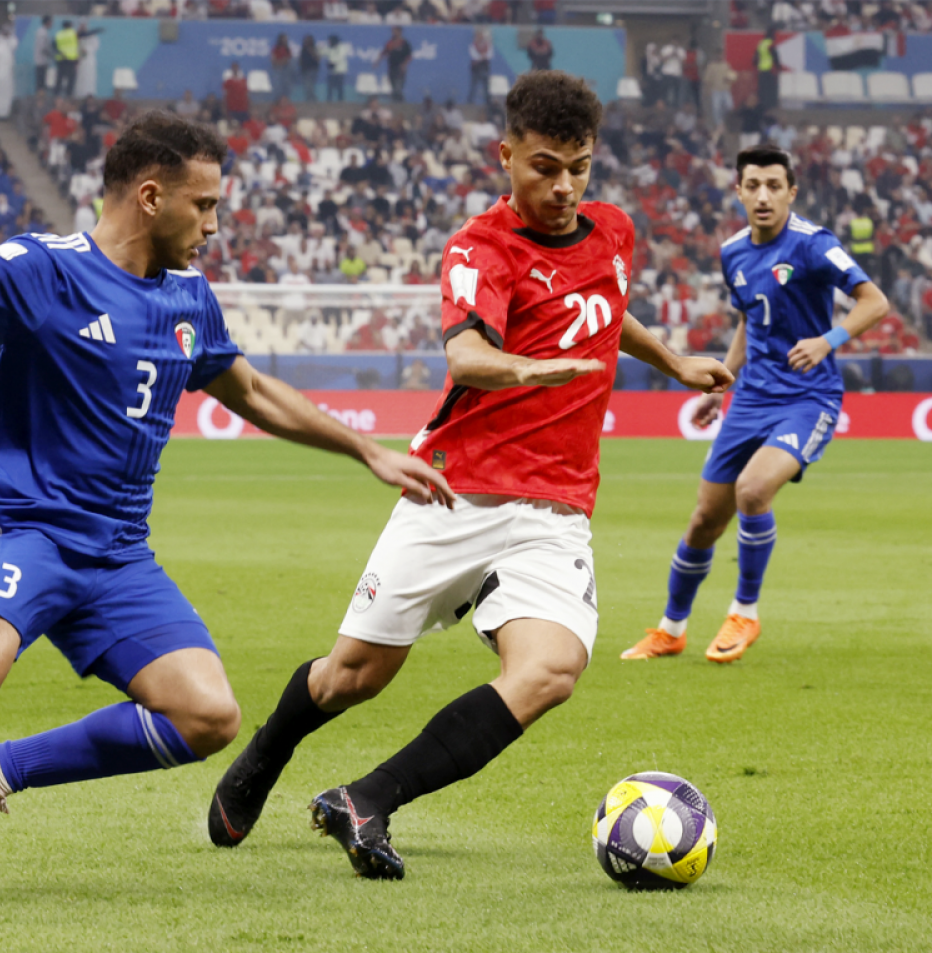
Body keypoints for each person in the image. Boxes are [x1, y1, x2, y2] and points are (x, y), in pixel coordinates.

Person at [0, 112, 452, 924]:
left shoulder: (188, 296)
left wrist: (366, 451)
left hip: (117, 555)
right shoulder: (50, 269)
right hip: (23, 530)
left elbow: (250, 390)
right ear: (150, 197)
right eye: (204, 205)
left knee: (208, 714)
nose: (214, 226)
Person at [206, 71, 733, 879]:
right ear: (506, 155)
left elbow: (605, 304)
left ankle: (368, 798)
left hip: (555, 507)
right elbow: (466, 354)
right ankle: (269, 749)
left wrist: (674, 361)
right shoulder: (479, 247)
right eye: (545, 167)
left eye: (579, 168)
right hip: (455, 490)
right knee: (355, 676)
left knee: (549, 671)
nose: (563, 187)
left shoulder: (614, 231)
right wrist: (531, 369)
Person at [621, 145, 889, 665]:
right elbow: (750, 319)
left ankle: (744, 611)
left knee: (753, 489)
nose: (763, 196)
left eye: (773, 186)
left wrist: (828, 340)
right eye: (753, 186)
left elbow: (874, 301)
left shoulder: (814, 244)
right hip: (750, 399)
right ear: (739, 192)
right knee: (704, 519)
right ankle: (671, 629)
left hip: (808, 398)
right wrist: (722, 381)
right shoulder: (733, 252)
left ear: (791, 192)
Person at [382, 26, 412, 103]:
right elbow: (385, 52)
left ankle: (400, 102)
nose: (393, 33)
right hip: (391, 68)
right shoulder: (390, 43)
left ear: (400, 32)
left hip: (400, 68)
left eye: (395, 31)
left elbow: (409, 56)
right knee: (393, 86)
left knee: (398, 87)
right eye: (393, 31)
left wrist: (404, 65)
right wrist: (377, 62)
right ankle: (395, 102)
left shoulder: (404, 43)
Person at [754, 27, 779, 113]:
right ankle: (770, 107)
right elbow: (775, 56)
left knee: (762, 90)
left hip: (761, 70)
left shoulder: (761, 44)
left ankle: (762, 106)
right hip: (769, 70)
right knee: (770, 90)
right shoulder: (770, 44)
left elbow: (755, 58)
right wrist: (778, 66)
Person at [54, 19, 80, 98]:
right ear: (70, 26)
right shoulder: (73, 33)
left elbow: (54, 45)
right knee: (71, 78)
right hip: (71, 59)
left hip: (61, 59)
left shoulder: (58, 34)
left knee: (60, 77)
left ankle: (56, 93)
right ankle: (69, 94)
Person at [467, 28, 492, 104]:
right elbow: (474, 56)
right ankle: (470, 101)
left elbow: (490, 55)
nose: (480, 38)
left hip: (485, 67)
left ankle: (487, 101)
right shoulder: (473, 46)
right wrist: (482, 57)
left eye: (481, 36)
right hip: (476, 68)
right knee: (474, 85)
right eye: (478, 36)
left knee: (486, 85)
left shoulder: (487, 45)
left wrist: (482, 57)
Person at [33, 16, 55, 93]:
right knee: (41, 81)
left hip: (42, 60)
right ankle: (40, 97)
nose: (52, 24)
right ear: (48, 22)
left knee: (42, 81)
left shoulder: (43, 32)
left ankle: (41, 95)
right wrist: (51, 55)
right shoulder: (42, 33)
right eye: (51, 22)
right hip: (41, 61)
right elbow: (43, 48)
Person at [325, 34, 349, 102]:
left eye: (330, 41)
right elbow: (326, 54)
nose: (329, 43)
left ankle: (340, 100)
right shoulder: (330, 48)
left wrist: (332, 62)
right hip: (332, 72)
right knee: (330, 87)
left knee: (339, 87)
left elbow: (340, 57)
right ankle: (329, 100)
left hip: (340, 71)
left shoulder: (342, 47)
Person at [299, 35, 322, 102]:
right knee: (307, 86)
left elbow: (318, 58)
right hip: (305, 70)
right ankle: (310, 98)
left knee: (310, 85)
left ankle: (312, 98)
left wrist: (311, 50)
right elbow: (301, 59)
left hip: (312, 70)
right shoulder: (303, 49)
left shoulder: (315, 48)